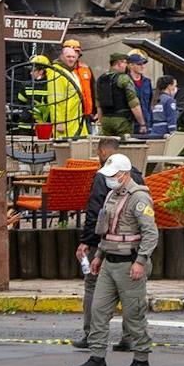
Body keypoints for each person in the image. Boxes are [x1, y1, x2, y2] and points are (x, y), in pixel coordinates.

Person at [70, 153, 157, 366]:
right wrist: (98, 255)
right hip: (109, 261)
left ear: (125, 174)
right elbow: (107, 231)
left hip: (129, 264)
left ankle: (141, 360)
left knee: (133, 315)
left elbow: (150, 234)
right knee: (98, 310)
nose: (109, 179)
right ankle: (97, 358)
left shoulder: (139, 198)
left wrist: (141, 261)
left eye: (113, 175)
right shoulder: (111, 195)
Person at [74, 134, 122, 352]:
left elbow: (94, 212)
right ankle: (131, 337)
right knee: (128, 291)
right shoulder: (135, 175)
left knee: (92, 285)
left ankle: (90, 334)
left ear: (103, 153)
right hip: (130, 244)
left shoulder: (102, 177)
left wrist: (86, 241)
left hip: (104, 242)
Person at [97, 51, 147, 136]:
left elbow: (98, 104)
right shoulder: (124, 78)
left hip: (105, 120)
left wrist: (101, 123)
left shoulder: (101, 79)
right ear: (119, 63)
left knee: (107, 146)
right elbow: (134, 104)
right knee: (124, 147)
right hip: (122, 121)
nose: (126, 65)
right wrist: (142, 123)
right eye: (125, 62)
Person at [60, 40, 96, 132]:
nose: (75, 55)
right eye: (73, 52)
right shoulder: (62, 71)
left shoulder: (86, 68)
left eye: (77, 52)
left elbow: (93, 90)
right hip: (70, 116)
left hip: (87, 115)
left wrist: (95, 111)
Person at [123, 53, 156, 120]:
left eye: (143, 64)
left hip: (146, 121)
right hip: (129, 122)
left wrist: (151, 119)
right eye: (139, 64)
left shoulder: (147, 82)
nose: (142, 66)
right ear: (130, 65)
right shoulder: (124, 82)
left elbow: (150, 103)